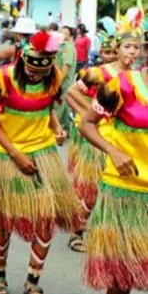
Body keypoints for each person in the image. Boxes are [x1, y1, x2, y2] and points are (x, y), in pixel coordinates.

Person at [0, 30, 79, 294]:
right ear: (23, 61)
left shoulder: (54, 76)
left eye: (42, 72)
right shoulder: (3, 78)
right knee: (5, 219)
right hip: (7, 154)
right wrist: (16, 154)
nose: (37, 76)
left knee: (47, 217)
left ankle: (32, 280)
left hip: (42, 151)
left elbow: (47, 107)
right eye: (32, 71)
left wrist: (57, 128)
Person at [65, 16, 140, 253]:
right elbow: (71, 92)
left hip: (120, 141)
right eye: (127, 46)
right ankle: (77, 232)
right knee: (90, 188)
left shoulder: (137, 78)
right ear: (117, 49)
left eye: (136, 47)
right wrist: (86, 114)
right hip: (97, 139)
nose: (132, 51)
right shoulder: (98, 73)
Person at [79, 48, 148, 294]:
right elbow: (87, 123)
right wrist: (112, 150)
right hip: (125, 193)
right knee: (121, 281)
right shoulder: (123, 85)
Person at [54, 25, 78, 133]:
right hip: (61, 81)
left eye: (65, 33)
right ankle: (67, 130)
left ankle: (56, 130)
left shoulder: (68, 47)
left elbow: (66, 66)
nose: (62, 35)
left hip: (63, 82)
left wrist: (58, 82)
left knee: (58, 107)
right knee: (64, 108)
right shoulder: (61, 46)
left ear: (70, 36)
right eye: (61, 32)